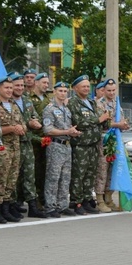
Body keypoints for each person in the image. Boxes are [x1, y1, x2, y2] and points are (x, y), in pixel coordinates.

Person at [67, 75, 110, 215]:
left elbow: (103, 122)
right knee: (79, 175)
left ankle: (86, 200)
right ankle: (76, 201)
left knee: (90, 174)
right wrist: (98, 119)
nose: (86, 88)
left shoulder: (91, 103)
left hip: (93, 144)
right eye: (83, 86)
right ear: (75, 88)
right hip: (81, 145)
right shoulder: (73, 103)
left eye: (87, 86)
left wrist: (105, 119)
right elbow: (79, 122)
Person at [0, 75, 26, 223]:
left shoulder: (14, 105)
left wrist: (22, 128)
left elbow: (23, 124)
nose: (10, 90)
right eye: (7, 88)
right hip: (1, 148)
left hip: (15, 147)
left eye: (11, 87)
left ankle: (6, 209)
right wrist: (12, 128)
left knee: (12, 179)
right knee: (0, 180)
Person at [42, 81, 80, 217]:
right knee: (53, 176)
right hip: (55, 145)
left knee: (65, 177)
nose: (63, 93)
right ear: (54, 92)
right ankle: (50, 206)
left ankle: (62, 204)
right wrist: (67, 131)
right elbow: (48, 129)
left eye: (65, 91)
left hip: (66, 145)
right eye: (60, 91)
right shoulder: (49, 109)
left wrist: (72, 132)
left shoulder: (66, 109)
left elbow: (68, 128)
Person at [11, 75, 48, 218]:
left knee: (29, 175)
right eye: (16, 86)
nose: (20, 88)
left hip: (27, 142)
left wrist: (35, 122)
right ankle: (12, 204)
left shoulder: (26, 101)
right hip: (13, 143)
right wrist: (29, 124)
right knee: (13, 177)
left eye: (21, 85)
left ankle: (33, 206)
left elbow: (35, 116)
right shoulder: (7, 102)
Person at [95, 78, 130, 213]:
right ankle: (100, 199)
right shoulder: (99, 104)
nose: (111, 93)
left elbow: (121, 119)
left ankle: (109, 197)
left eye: (113, 90)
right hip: (104, 141)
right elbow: (103, 123)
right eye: (109, 90)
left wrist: (124, 125)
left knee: (113, 170)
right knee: (102, 170)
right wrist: (118, 125)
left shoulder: (117, 103)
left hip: (116, 140)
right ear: (103, 90)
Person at [29, 72, 52, 205]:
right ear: (36, 82)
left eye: (47, 83)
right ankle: (36, 199)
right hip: (35, 139)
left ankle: (44, 198)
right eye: (43, 82)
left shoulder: (49, 99)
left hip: (48, 138)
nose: (46, 85)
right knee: (35, 171)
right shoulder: (29, 98)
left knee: (45, 171)